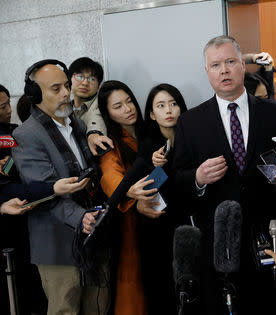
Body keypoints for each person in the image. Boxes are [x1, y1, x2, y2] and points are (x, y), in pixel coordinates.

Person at [173, 35, 276, 314]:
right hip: (217, 242)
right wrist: (197, 178)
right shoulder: (190, 121)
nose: (224, 70)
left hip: (269, 235)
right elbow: (177, 179)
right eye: (216, 65)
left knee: (271, 306)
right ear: (207, 72)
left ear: (243, 66)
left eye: (231, 62)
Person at [11, 60, 109, 314]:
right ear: (35, 94)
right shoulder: (26, 135)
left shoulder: (77, 124)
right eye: (56, 88)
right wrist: (81, 217)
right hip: (57, 245)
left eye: (66, 85)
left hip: (93, 233)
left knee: (98, 307)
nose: (67, 93)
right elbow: (45, 189)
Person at [97, 80, 160, 315]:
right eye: (118, 106)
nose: (127, 109)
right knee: (132, 280)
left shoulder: (150, 132)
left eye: (129, 101)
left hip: (160, 213)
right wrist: (128, 192)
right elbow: (111, 178)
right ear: (108, 114)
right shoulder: (111, 143)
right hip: (131, 222)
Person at [138, 83, 188, 314]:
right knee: (163, 288)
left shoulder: (193, 138)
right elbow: (148, 189)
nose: (168, 110)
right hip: (159, 225)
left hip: (189, 221)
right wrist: (157, 167)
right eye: (160, 105)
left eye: (173, 104)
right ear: (151, 113)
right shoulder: (147, 145)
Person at [69, 57, 114, 156]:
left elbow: (96, 117)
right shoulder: (65, 108)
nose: (85, 83)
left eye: (91, 79)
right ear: (69, 79)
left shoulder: (101, 102)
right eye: (80, 77)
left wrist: (93, 134)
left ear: (98, 85)